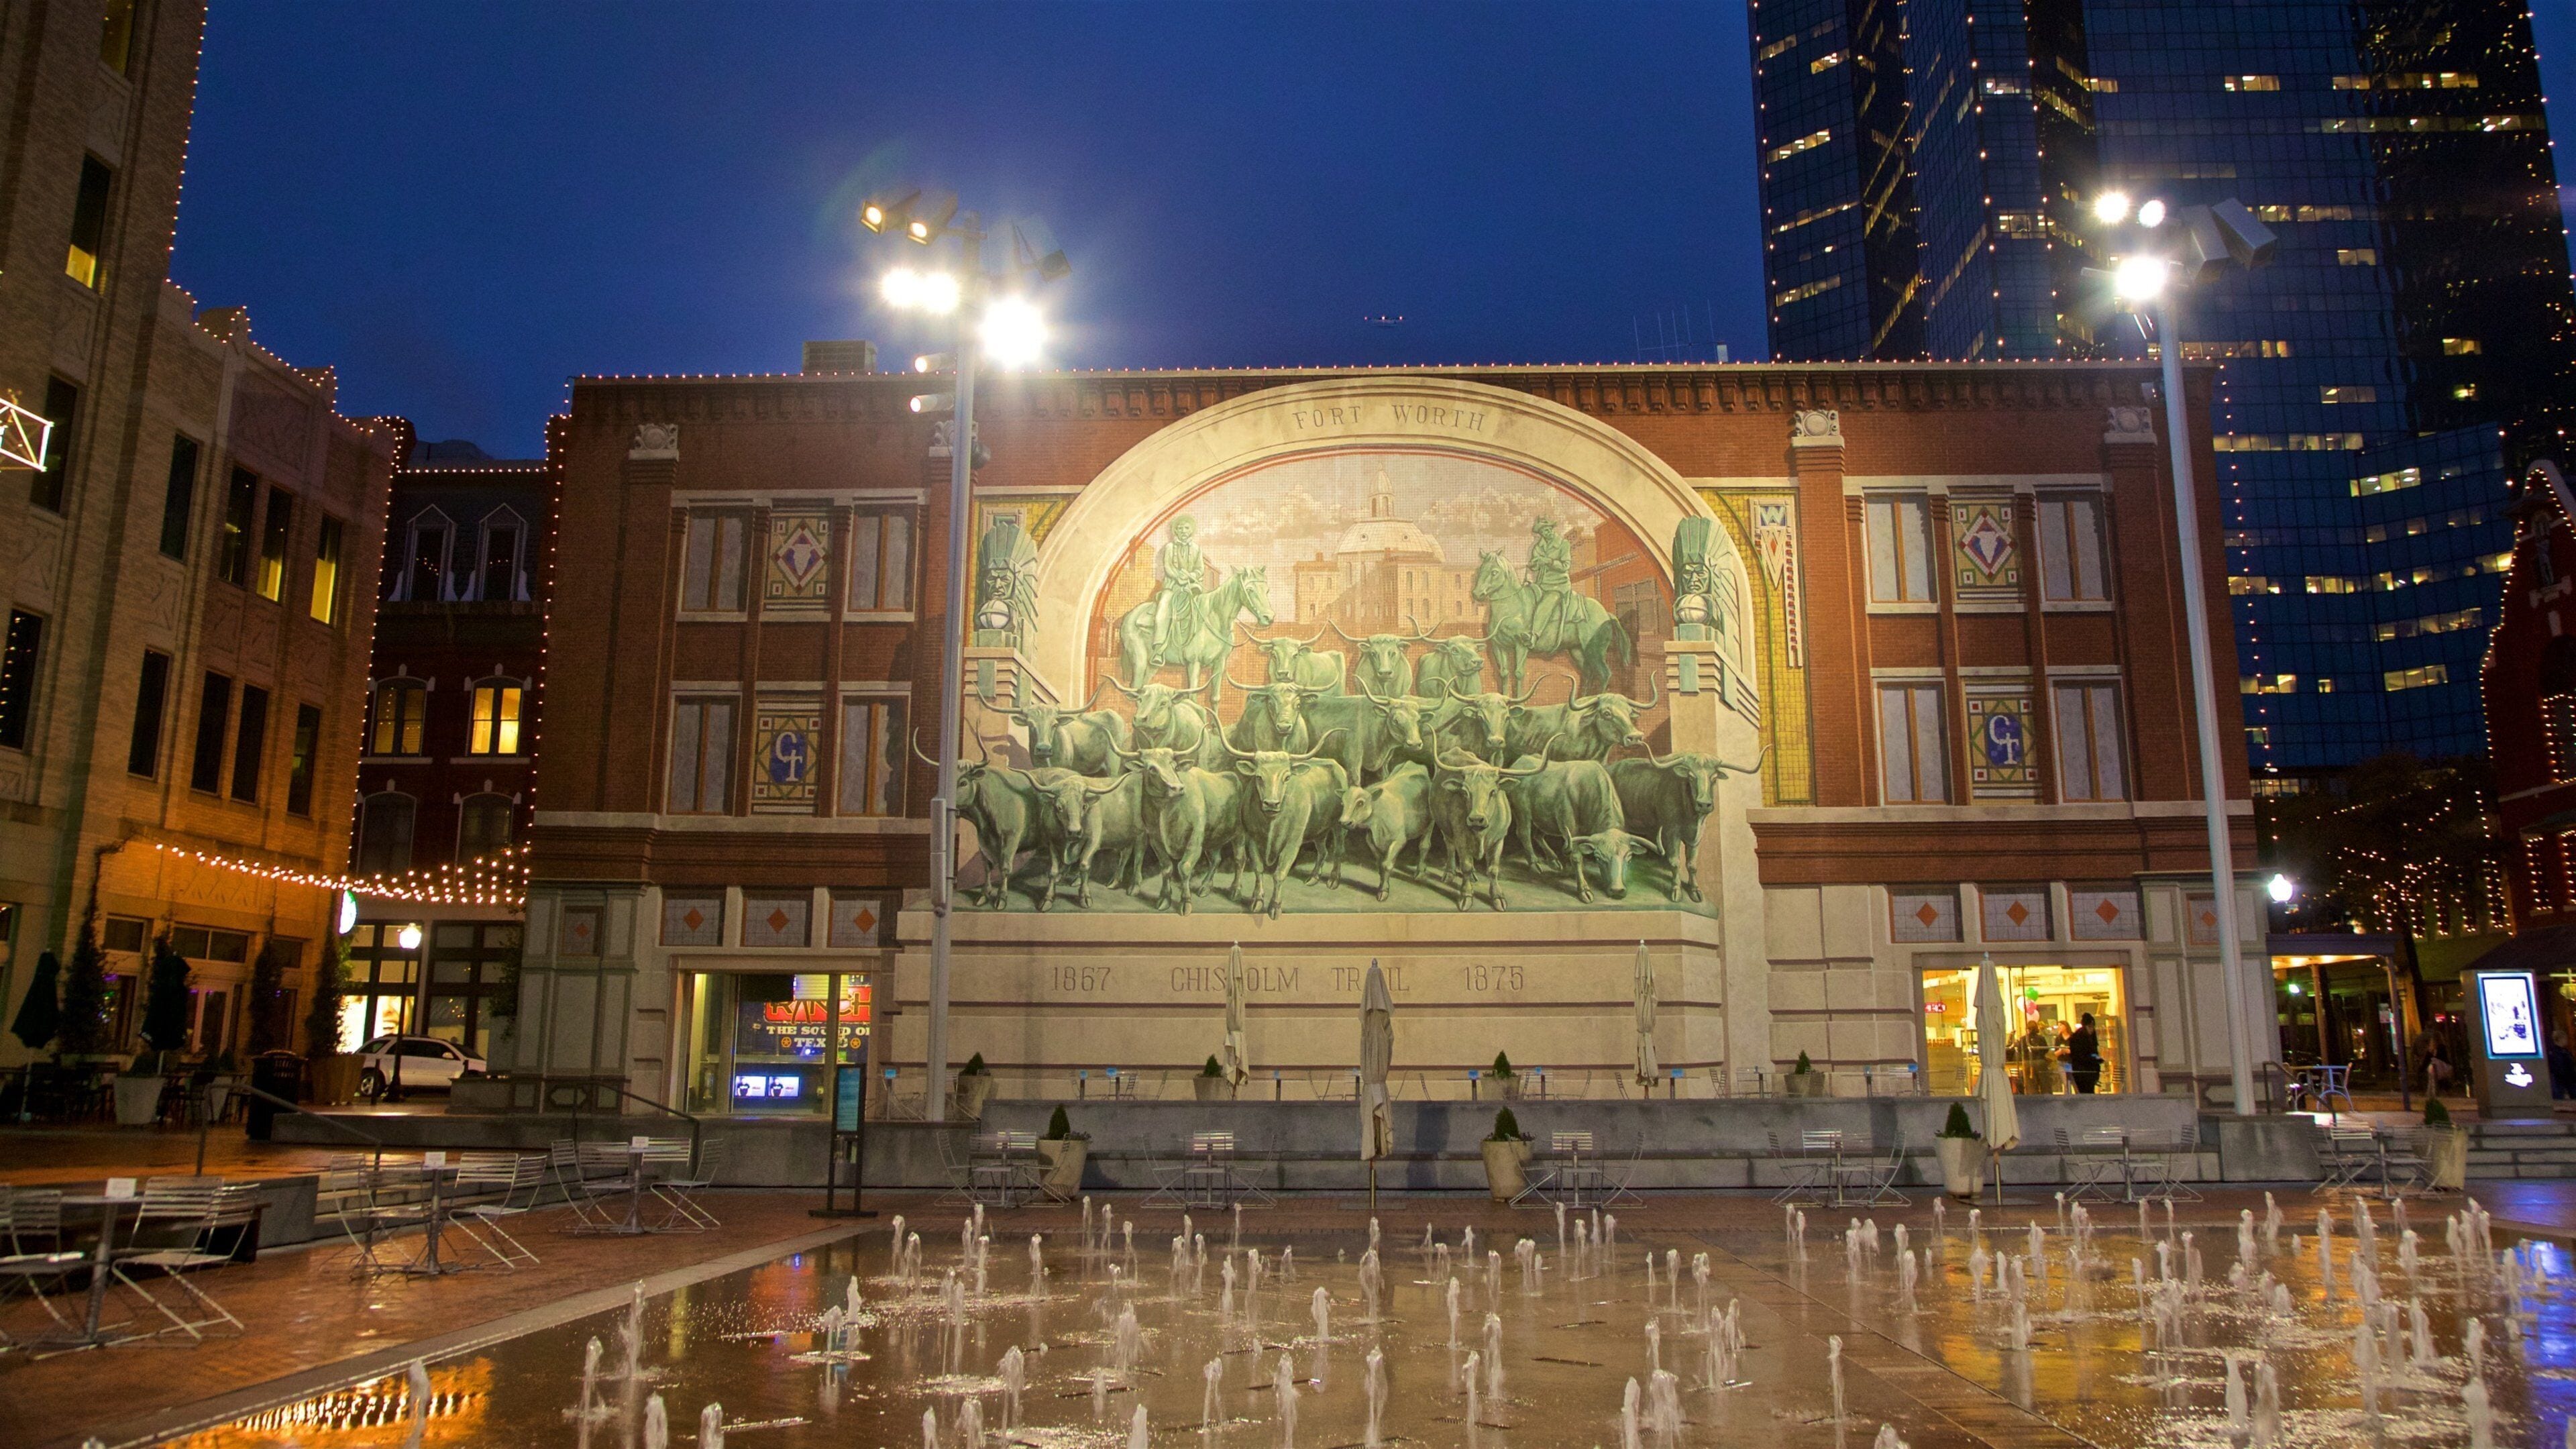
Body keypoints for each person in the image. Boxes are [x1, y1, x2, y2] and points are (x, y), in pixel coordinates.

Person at [1148, 515, 1206, 665]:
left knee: (1205, 609)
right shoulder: (1169, 548)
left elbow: (1200, 569)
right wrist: (1178, 577)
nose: (1183, 531)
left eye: (1186, 528)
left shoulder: (1197, 549)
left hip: (1192, 587)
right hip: (1172, 587)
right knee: (1162, 613)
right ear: (1175, 531)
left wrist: (1192, 575)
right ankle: (1159, 650)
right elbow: (1167, 567)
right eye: (1180, 528)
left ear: (1191, 530)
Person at [2065, 1012, 2104, 1094]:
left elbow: (2091, 1053)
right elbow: (2088, 1053)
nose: (2092, 1029)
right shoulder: (2082, 1037)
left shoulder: (2081, 1036)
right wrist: (2095, 1059)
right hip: (2084, 1070)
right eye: (2090, 1027)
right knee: (2087, 1091)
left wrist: (2096, 1058)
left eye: (2093, 1027)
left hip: (2085, 1070)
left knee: (2086, 1091)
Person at [2547, 1028, 2576, 1101]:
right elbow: (2560, 1066)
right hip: (2563, 1079)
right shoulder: (2558, 1053)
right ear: (2561, 1039)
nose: (2567, 1041)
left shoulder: (2563, 1051)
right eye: (2565, 1039)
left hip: (2567, 1078)